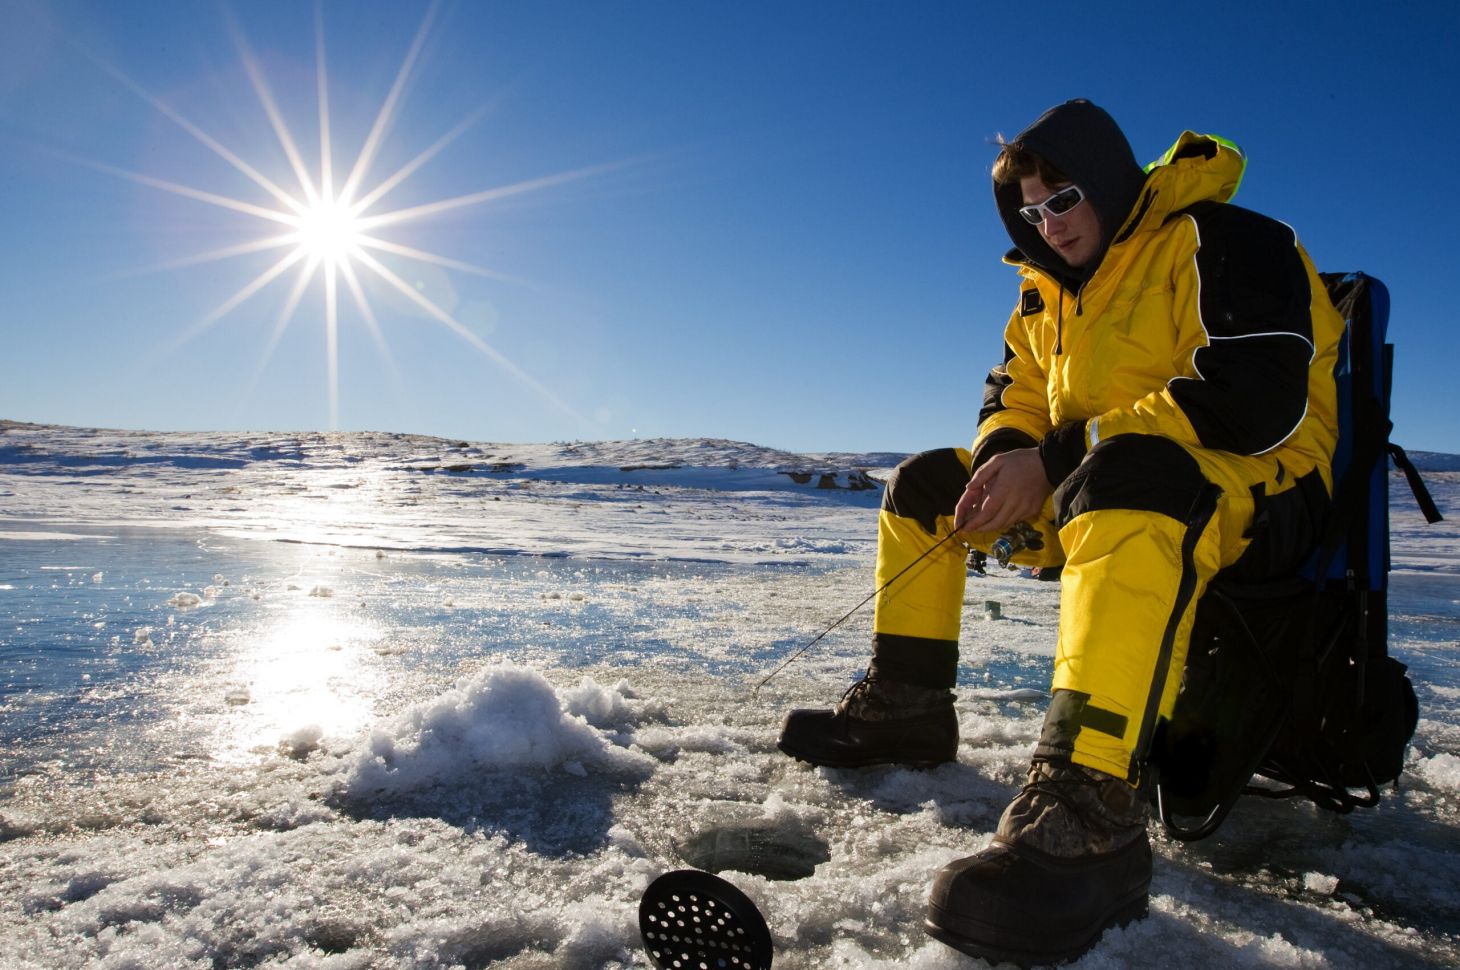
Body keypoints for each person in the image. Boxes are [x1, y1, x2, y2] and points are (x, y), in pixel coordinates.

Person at [777, 99, 1344, 966]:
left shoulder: (1226, 239)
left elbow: (1255, 396)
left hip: (1257, 487)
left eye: (1066, 197)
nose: (1051, 223)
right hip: (1099, 479)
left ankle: (1091, 815)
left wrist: (1060, 456)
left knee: (1130, 472)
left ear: (1112, 181)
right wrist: (1007, 459)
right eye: (1032, 211)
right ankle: (908, 708)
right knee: (929, 482)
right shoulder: (1045, 294)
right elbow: (1013, 398)